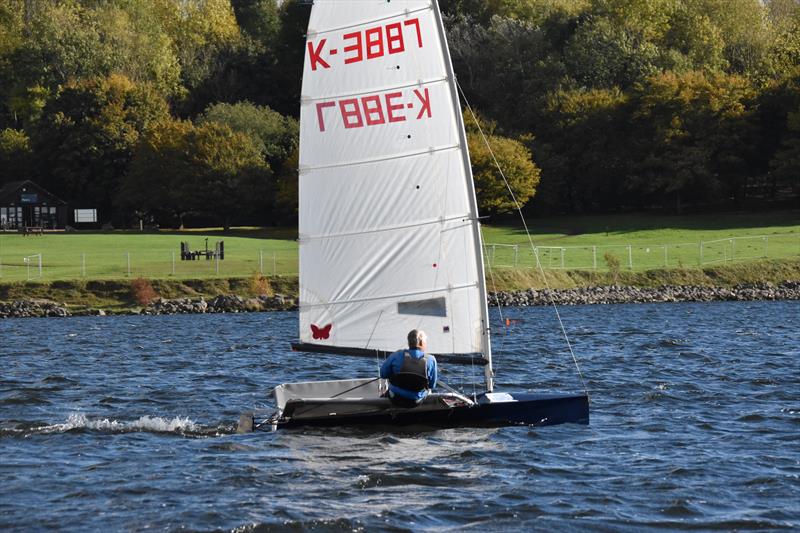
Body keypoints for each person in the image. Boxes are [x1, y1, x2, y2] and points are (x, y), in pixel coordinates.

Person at [380, 329, 438, 407]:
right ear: (421, 343)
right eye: (425, 341)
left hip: (395, 398)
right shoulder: (431, 359)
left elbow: (383, 374)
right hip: (416, 401)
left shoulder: (396, 355)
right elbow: (431, 385)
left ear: (409, 342)